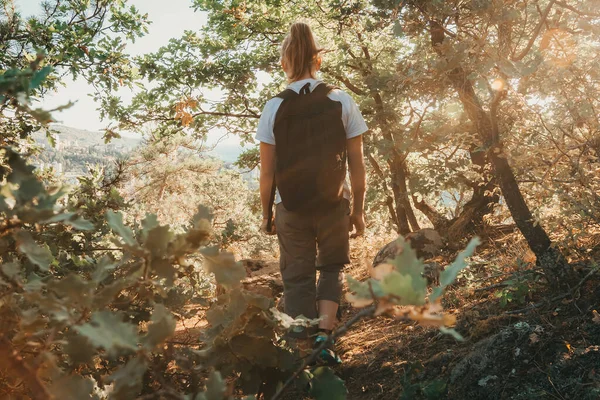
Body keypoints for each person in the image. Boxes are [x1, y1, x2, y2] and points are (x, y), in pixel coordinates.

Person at [255, 22, 367, 365]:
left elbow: (267, 173)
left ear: (285, 62)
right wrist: (358, 210)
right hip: (335, 202)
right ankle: (325, 338)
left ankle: (301, 351)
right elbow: (357, 166)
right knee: (331, 267)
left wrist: (267, 214)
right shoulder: (341, 100)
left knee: (297, 275)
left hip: (290, 205)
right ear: (317, 61)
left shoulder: (273, 107)